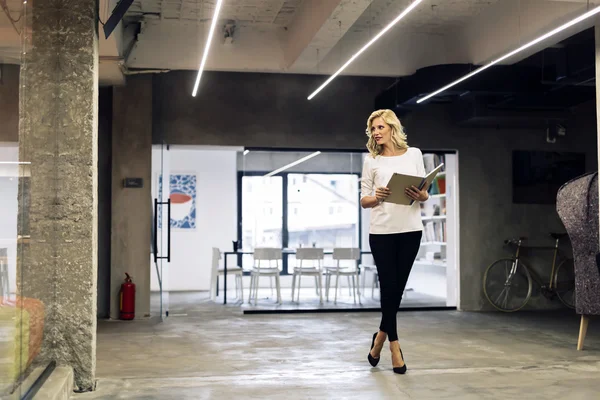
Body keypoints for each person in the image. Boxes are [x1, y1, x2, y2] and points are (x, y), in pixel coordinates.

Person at [360, 109, 429, 374]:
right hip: (381, 233)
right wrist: (377, 197)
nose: (375, 132)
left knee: (396, 290)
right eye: (372, 129)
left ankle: (379, 337)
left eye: (380, 127)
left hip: (411, 230)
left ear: (392, 128)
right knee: (389, 286)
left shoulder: (414, 154)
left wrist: (420, 195)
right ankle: (394, 345)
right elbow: (364, 200)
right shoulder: (372, 161)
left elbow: (424, 193)